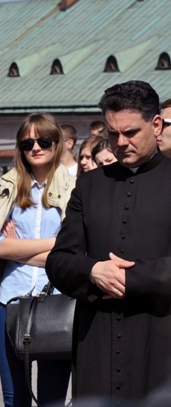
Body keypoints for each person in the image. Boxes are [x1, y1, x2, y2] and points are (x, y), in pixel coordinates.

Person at [46, 80, 171, 404]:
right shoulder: (89, 186)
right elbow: (59, 260)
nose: (121, 142)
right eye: (113, 134)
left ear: (155, 124)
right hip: (96, 346)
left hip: (160, 345)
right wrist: (93, 270)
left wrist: (131, 278)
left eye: (130, 133)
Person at [0, 113, 75, 407]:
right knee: (14, 399)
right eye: (27, 142)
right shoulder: (4, 189)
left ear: (57, 143)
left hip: (57, 304)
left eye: (44, 140)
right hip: (10, 303)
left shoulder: (75, 189)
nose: (36, 147)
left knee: (52, 400)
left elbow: (72, 254)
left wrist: (19, 246)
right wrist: (53, 246)